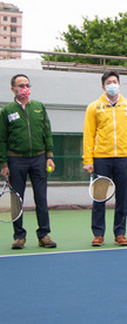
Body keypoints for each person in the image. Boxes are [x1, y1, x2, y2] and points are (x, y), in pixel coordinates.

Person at [83, 71, 127, 247]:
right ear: (103, 86)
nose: (112, 84)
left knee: (122, 198)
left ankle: (120, 233)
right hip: (101, 158)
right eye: (109, 82)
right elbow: (89, 134)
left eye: (115, 81)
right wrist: (88, 160)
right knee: (100, 197)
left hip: (124, 158)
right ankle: (98, 234)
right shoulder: (94, 107)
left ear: (120, 84)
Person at [0, 74, 56, 250]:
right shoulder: (6, 111)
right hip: (16, 160)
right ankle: (19, 237)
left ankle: (43, 235)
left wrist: (50, 156)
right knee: (17, 200)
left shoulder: (39, 107)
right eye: (20, 85)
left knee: (41, 198)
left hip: (39, 159)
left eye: (27, 85)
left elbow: (47, 133)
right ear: (13, 89)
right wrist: (3, 164)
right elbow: (2, 139)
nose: (24, 88)